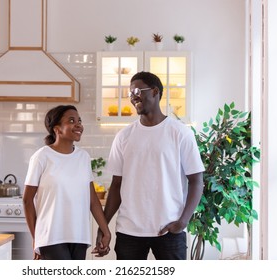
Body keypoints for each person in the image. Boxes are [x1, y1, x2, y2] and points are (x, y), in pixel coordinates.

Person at [97, 71, 204, 260]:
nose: (133, 97)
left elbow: (196, 181)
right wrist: (103, 226)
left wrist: (182, 222)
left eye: (137, 91)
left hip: (169, 229)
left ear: (155, 91)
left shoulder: (180, 133)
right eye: (130, 94)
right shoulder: (124, 136)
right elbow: (116, 185)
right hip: (129, 231)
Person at [23, 105, 111, 260]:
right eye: (71, 120)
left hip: (79, 236)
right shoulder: (42, 157)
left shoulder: (83, 157)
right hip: (50, 236)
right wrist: (36, 238)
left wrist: (106, 231)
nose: (78, 124)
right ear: (57, 129)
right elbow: (27, 200)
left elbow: (92, 200)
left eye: (79, 120)